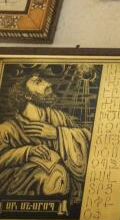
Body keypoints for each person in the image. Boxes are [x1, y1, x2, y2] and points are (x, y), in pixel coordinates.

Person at [0, 72, 91, 201]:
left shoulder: (60, 118)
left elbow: (89, 140)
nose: (49, 84)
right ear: (27, 95)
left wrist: (57, 133)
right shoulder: (7, 129)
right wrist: (28, 151)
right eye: (38, 82)